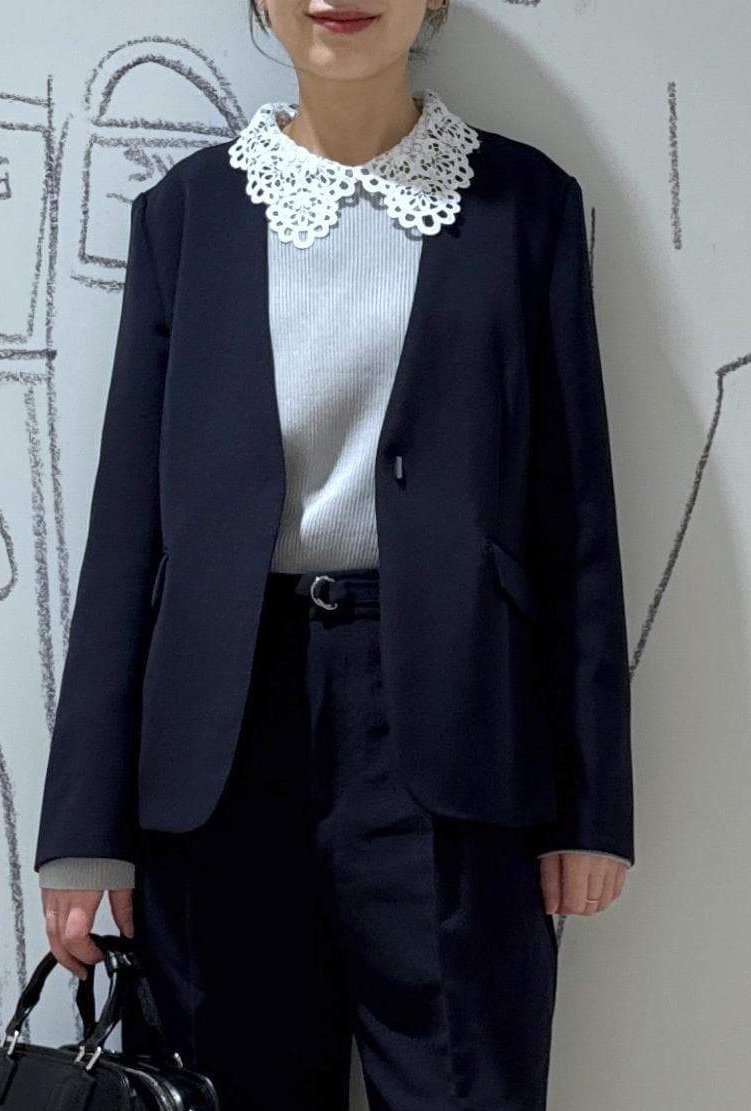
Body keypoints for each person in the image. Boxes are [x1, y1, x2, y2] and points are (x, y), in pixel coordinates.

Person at [35, 1, 634, 1107]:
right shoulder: (187, 215)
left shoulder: (526, 204)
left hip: (458, 738)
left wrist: (592, 806)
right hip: (218, 751)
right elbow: (126, 527)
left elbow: (574, 518)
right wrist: (81, 829)